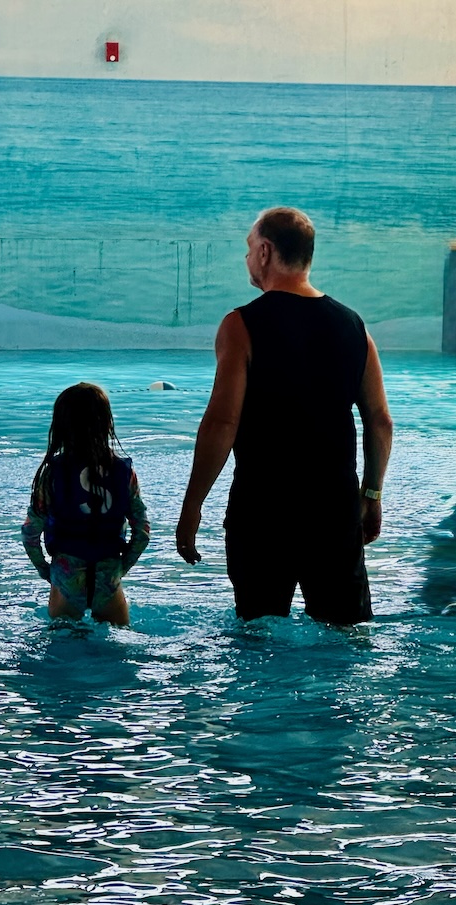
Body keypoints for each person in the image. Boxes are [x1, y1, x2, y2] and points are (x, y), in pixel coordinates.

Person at [176, 206, 393, 625]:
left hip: (263, 514)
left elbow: (222, 423)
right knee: (342, 641)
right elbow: (380, 420)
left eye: (248, 248)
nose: (247, 258)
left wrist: (192, 508)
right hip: (333, 514)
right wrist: (371, 495)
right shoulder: (354, 327)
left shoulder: (241, 325)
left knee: (258, 640)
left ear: (264, 251)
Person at [22, 382, 150, 625]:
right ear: (106, 424)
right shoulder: (124, 473)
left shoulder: (51, 475)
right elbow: (142, 530)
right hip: (108, 575)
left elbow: (30, 532)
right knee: (116, 653)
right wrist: (121, 568)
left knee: (62, 653)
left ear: (60, 426)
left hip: (66, 575)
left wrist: (46, 571)